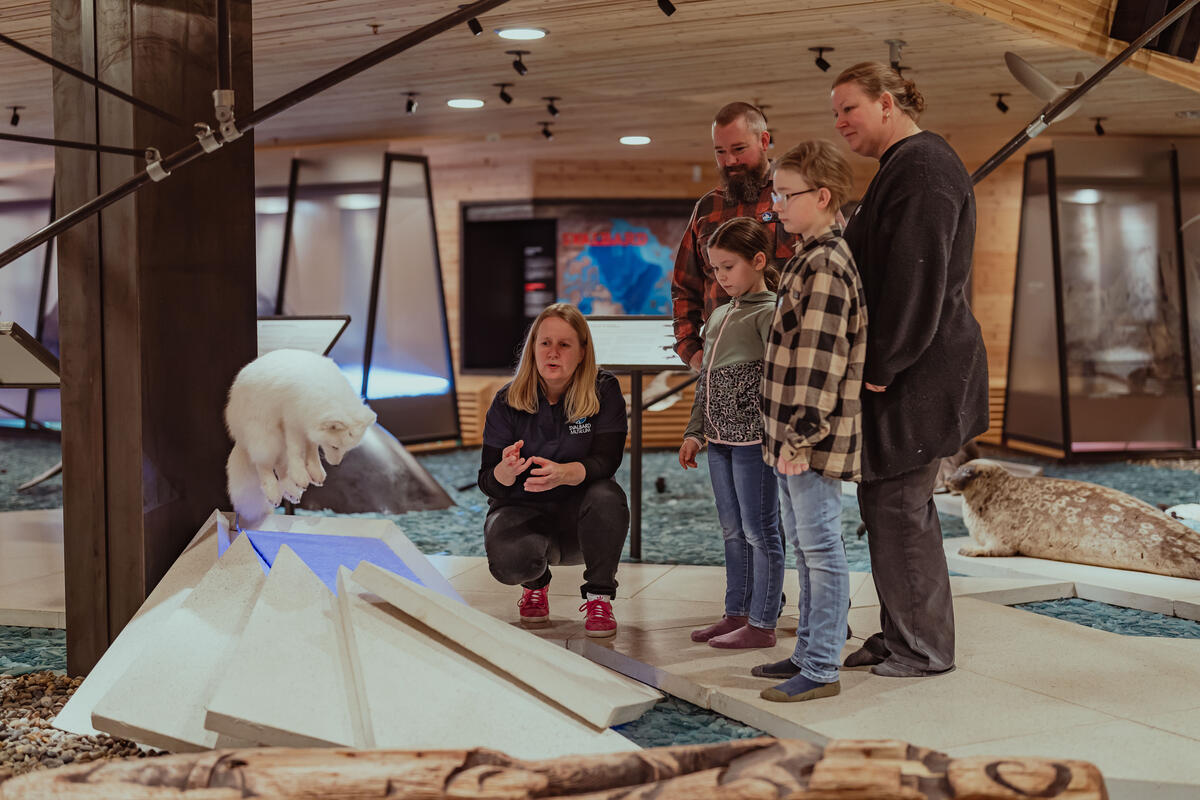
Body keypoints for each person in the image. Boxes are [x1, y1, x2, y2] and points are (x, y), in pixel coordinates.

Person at [831, 63, 989, 677]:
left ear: (888, 103)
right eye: (836, 113)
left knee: (900, 507)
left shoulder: (922, 168)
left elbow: (916, 281)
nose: (840, 122)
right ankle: (900, 630)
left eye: (849, 108)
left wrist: (881, 363)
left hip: (915, 373)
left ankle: (923, 647)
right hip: (909, 371)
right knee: (886, 506)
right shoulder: (904, 168)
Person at [751, 141, 867, 703]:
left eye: (785, 194)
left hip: (809, 440)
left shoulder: (824, 261)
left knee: (821, 549)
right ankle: (806, 650)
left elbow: (821, 360)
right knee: (805, 546)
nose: (775, 205)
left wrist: (798, 437)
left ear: (822, 197)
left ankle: (822, 666)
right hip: (791, 437)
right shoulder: (807, 253)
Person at [477, 303, 630, 638]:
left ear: (581, 352)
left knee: (608, 495)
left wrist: (565, 473)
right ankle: (535, 584)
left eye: (564, 344)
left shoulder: (604, 390)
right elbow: (487, 481)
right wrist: (505, 471)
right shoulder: (507, 401)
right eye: (545, 343)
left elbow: (607, 461)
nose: (553, 353)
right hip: (524, 509)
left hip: (581, 519)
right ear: (532, 348)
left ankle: (599, 595)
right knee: (509, 562)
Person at [678, 217, 784, 650]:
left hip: (754, 443)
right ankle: (736, 612)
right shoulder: (720, 313)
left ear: (758, 261)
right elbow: (705, 382)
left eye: (729, 267)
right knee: (732, 531)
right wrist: (694, 432)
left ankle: (762, 623)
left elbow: (780, 382)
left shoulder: (771, 312)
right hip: (719, 443)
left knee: (761, 531)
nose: (721, 278)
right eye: (715, 269)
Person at [672, 102, 797, 371]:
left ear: (764, 140)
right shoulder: (706, 209)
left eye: (739, 149)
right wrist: (691, 351)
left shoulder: (798, 194)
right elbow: (684, 288)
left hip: (787, 360)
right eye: (720, 151)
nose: (730, 161)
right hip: (720, 362)